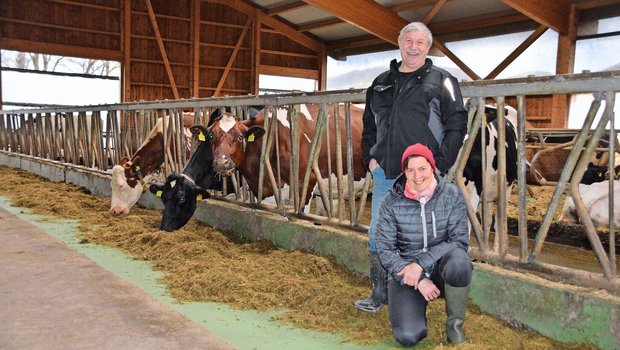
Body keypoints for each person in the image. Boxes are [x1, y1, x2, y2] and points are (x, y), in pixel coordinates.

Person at [356, 21, 468, 313]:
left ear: (428, 47)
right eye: (409, 41)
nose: (413, 47)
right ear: (399, 42)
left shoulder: (442, 80)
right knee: (379, 234)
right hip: (388, 173)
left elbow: (457, 123)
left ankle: (430, 288)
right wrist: (370, 157)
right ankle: (380, 293)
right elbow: (368, 125)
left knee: (427, 234)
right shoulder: (380, 82)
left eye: (420, 42)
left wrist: (440, 164)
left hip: (423, 176)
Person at [376, 144, 472, 346]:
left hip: (441, 268)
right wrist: (418, 278)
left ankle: (454, 327)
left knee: (459, 262)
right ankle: (415, 310)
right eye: (410, 170)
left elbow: (459, 240)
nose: (417, 176)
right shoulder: (391, 202)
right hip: (407, 273)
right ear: (404, 171)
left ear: (432, 168)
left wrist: (420, 264)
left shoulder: (451, 195)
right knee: (408, 336)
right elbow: (385, 249)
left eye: (422, 169)